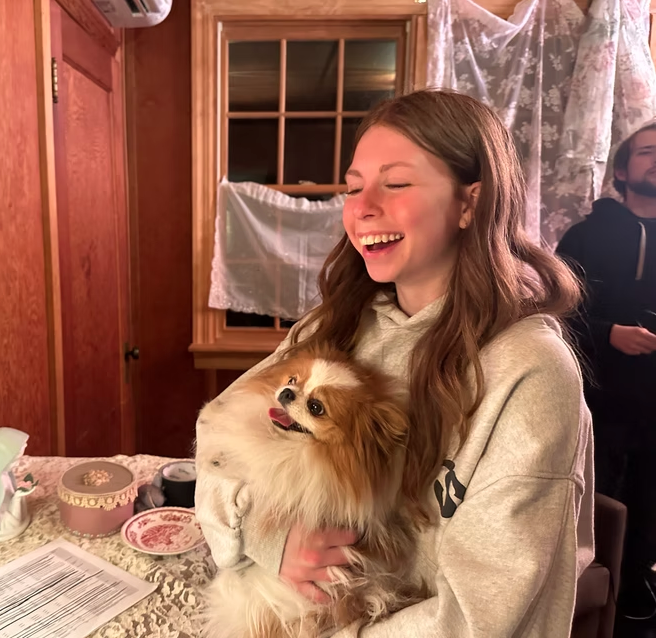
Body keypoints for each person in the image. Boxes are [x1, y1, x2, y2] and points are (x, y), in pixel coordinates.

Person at [195, 89, 595, 636]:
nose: (361, 207)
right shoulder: (329, 328)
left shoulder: (528, 371)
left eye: (397, 183)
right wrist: (265, 537)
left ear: (470, 202)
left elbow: (483, 614)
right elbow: (216, 438)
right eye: (353, 186)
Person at [556, 122, 656, 619]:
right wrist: (608, 333)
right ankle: (595, 603)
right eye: (647, 152)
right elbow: (555, 312)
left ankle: (637, 594)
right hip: (604, 398)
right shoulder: (586, 235)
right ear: (621, 169)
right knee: (602, 504)